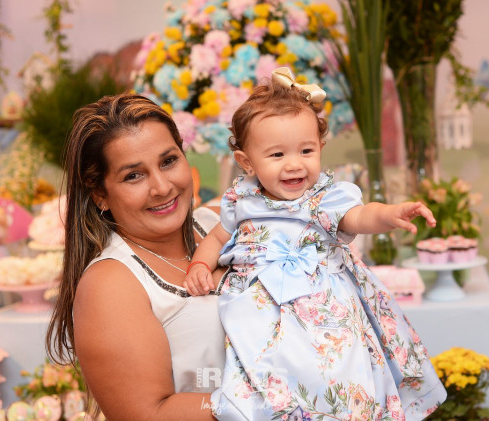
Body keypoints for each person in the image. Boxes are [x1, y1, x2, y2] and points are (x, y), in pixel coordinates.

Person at [185, 68, 447, 420]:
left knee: (339, 377)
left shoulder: (324, 199)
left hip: (326, 310)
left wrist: (389, 214)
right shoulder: (242, 201)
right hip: (263, 310)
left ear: (321, 147)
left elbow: (359, 215)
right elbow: (218, 236)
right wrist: (200, 264)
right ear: (247, 162)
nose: (294, 165)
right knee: (267, 378)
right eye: (277, 155)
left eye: (306, 150)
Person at [46, 93, 228, 420]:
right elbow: (149, 414)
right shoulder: (110, 284)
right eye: (134, 175)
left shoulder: (222, 222)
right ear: (100, 195)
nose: (162, 187)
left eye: (168, 161)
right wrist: (269, 401)